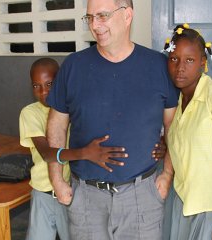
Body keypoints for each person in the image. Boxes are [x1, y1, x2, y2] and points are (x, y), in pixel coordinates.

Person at [46, 0, 178, 239]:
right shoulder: (73, 66)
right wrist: (57, 179)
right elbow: (57, 124)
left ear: (127, 16)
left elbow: (173, 125)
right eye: (90, 17)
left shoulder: (158, 66)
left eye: (103, 16)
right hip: (86, 197)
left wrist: (167, 174)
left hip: (142, 197)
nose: (95, 25)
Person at [19, 58, 131, 240]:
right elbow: (48, 154)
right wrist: (86, 153)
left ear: (61, 82)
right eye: (36, 86)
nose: (43, 92)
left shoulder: (73, 109)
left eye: (49, 84)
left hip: (72, 191)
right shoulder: (30, 113)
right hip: (43, 193)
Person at [162, 24, 212, 240]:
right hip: (182, 206)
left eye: (189, 60)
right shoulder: (177, 104)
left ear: (202, 63)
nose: (180, 67)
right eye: (174, 59)